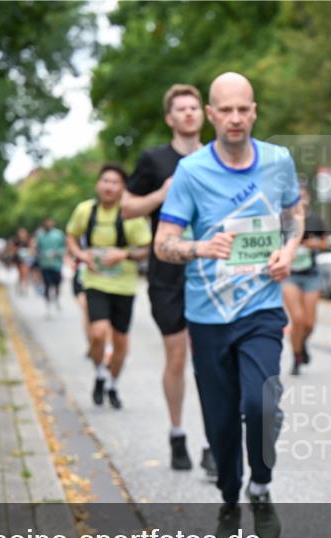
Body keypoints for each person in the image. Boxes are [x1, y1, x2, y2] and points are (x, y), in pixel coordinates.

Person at [155, 72, 303, 538]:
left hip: (261, 307)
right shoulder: (192, 172)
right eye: (226, 110)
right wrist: (202, 247)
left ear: (254, 111)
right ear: (212, 115)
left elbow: (294, 214)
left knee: (260, 403)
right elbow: (163, 244)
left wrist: (290, 250)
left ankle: (260, 486)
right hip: (208, 314)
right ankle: (228, 498)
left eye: (244, 109)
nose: (236, 118)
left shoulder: (278, 161)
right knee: (220, 420)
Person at [125, 83, 215, 476]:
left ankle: (214, 442)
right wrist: (161, 194)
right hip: (168, 273)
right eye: (181, 108)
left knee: (210, 360)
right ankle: (178, 433)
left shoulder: (218, 158)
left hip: (211, 270)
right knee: (177, 357)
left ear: (204, 113)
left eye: (195, 107)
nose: (189, 113)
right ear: (170, 118)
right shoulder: (154, 159)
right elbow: (126, 208)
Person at [65, 164, 153, 411]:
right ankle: (100, 372)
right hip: (95, 282)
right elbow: (70, 235)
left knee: (121, 341)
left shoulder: (131, 216)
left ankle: (112, 383)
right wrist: (80, 255)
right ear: (97, 184)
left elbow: (146, 248)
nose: (109, 186)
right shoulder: (85, 211)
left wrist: (123, 254)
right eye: (105, 180)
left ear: (123, 188)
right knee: (98, 333)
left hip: (124, 286)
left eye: (115, 182)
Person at [283, 185, 328, 375]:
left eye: (303, 196)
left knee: (309, 323)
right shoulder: (283, 220)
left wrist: (313, 243)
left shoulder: (315, 220)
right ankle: (296, 357)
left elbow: (326, 242)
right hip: (290, 275)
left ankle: (301, 343)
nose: (300, 200)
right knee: (298, 319)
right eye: (296, 196)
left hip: (311, 274)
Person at [35, 217, 66, 315]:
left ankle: (57, 299)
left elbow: (64, 247)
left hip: (56, 264)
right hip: (45, 265)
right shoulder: (40, 235)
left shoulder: (58, 234)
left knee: (57, 284)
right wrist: (40, 256)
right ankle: (47, 307)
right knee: (47, 285)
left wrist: (57, 253)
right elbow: (37, 249)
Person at [11, 227, 32, 296]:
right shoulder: (16, 240)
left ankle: (24, 287)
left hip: (26, 259)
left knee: (25, 273)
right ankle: (21, 287)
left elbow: (31, 248)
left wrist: (28, 252)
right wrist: (17, 250)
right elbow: (12, 248)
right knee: (21, 274)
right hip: (18, 259)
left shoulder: (28, 240)